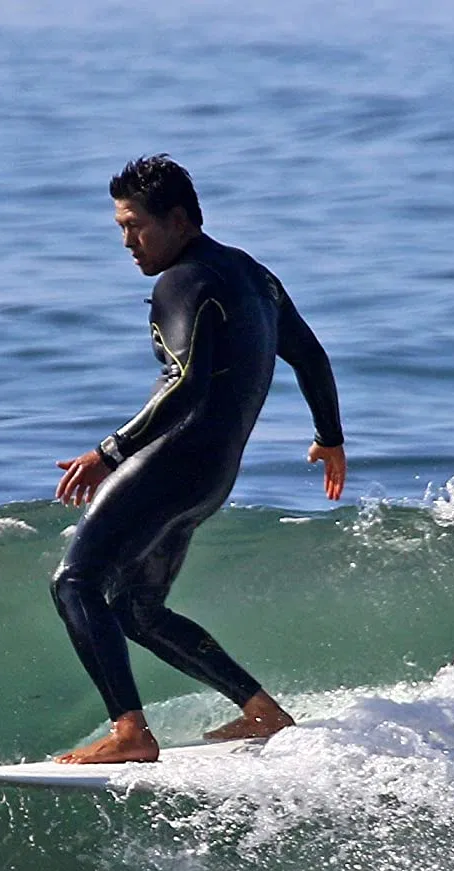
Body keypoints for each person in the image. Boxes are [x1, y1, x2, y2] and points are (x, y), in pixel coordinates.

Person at [52, 155, 345, 764]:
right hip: (213, 474)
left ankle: (130, 733)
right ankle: (261, 711)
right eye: (121, 229)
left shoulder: (182, 281)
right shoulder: (251, 275)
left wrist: (110, 451)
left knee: (76, 581)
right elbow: (311, 357)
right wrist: (330, 437)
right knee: (137, 608)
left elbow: (184, 382)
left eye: (137, 226)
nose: (128, 243)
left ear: (179, 220)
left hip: (174, 460)